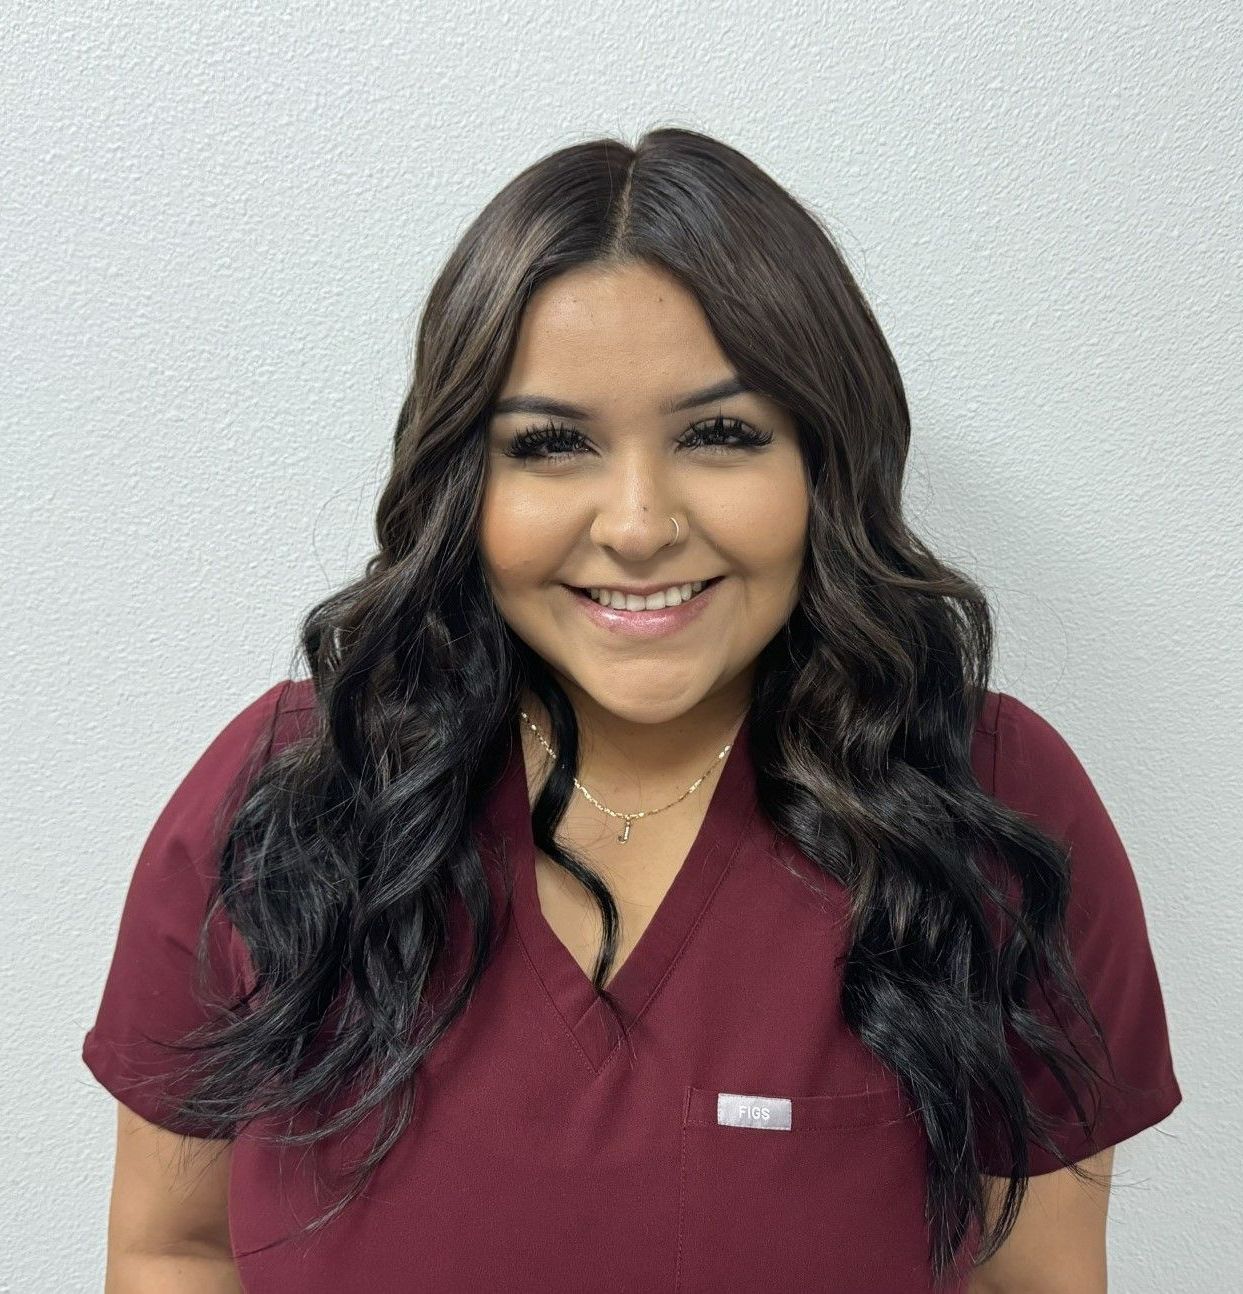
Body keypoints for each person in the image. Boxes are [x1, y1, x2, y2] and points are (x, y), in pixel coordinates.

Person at [83, 128, 1182, 1293]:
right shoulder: (288, 795)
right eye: (553, 444)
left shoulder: (991, 806)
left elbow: (1038, 1281)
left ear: (825, 460)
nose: (639, 524)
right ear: (466, 481)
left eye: (720, 434)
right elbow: (174, 1247)